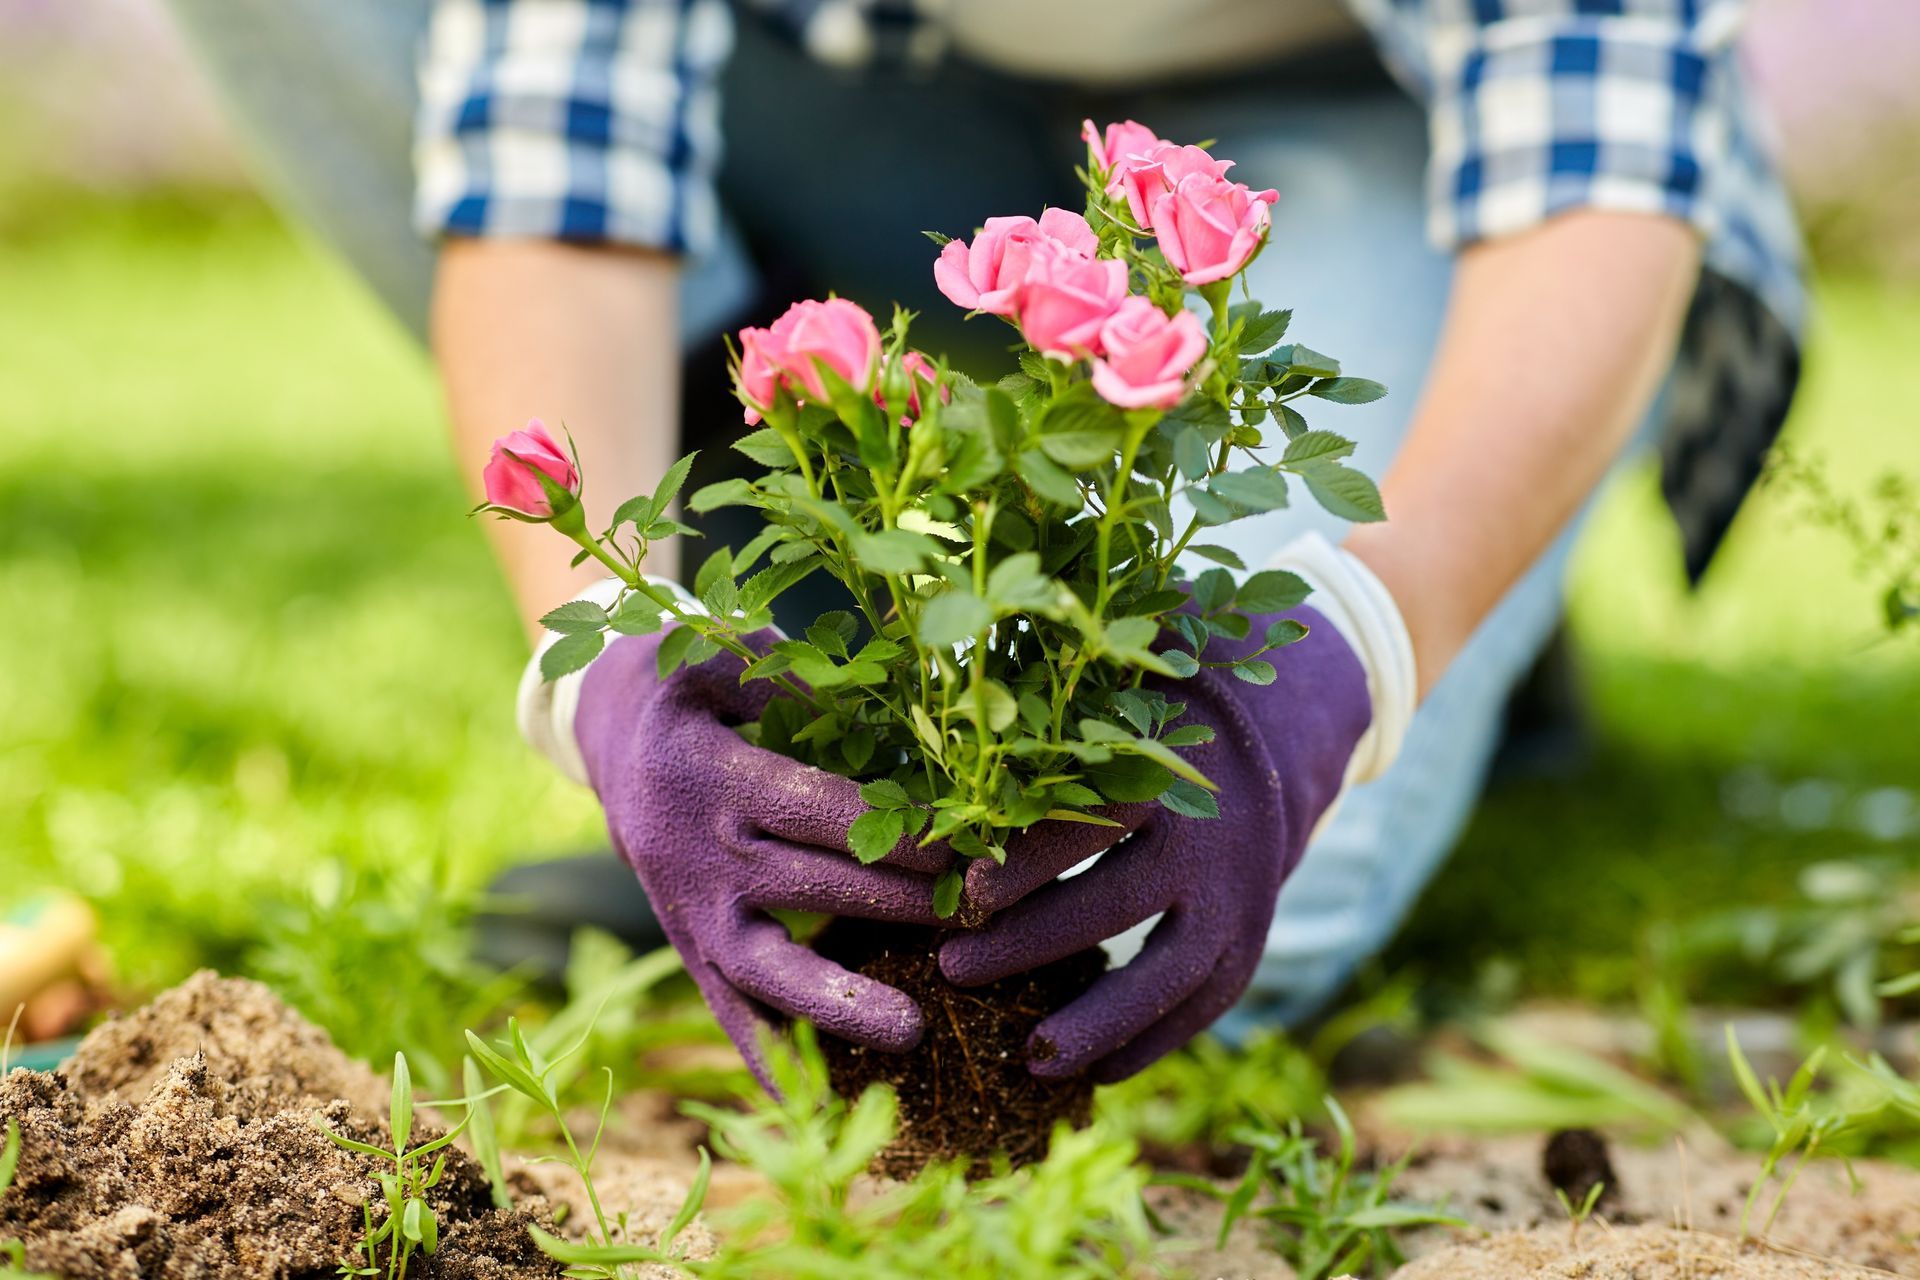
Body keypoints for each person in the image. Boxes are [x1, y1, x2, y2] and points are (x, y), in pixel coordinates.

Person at [164, 0, 1804, 1077]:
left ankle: (1452, 617)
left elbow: (1595, 170)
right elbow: (557, 176)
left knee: (1179, 921)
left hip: (1369, 135)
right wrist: (602, 661)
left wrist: (1365, 644)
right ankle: (804, 664)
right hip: (870, 103)